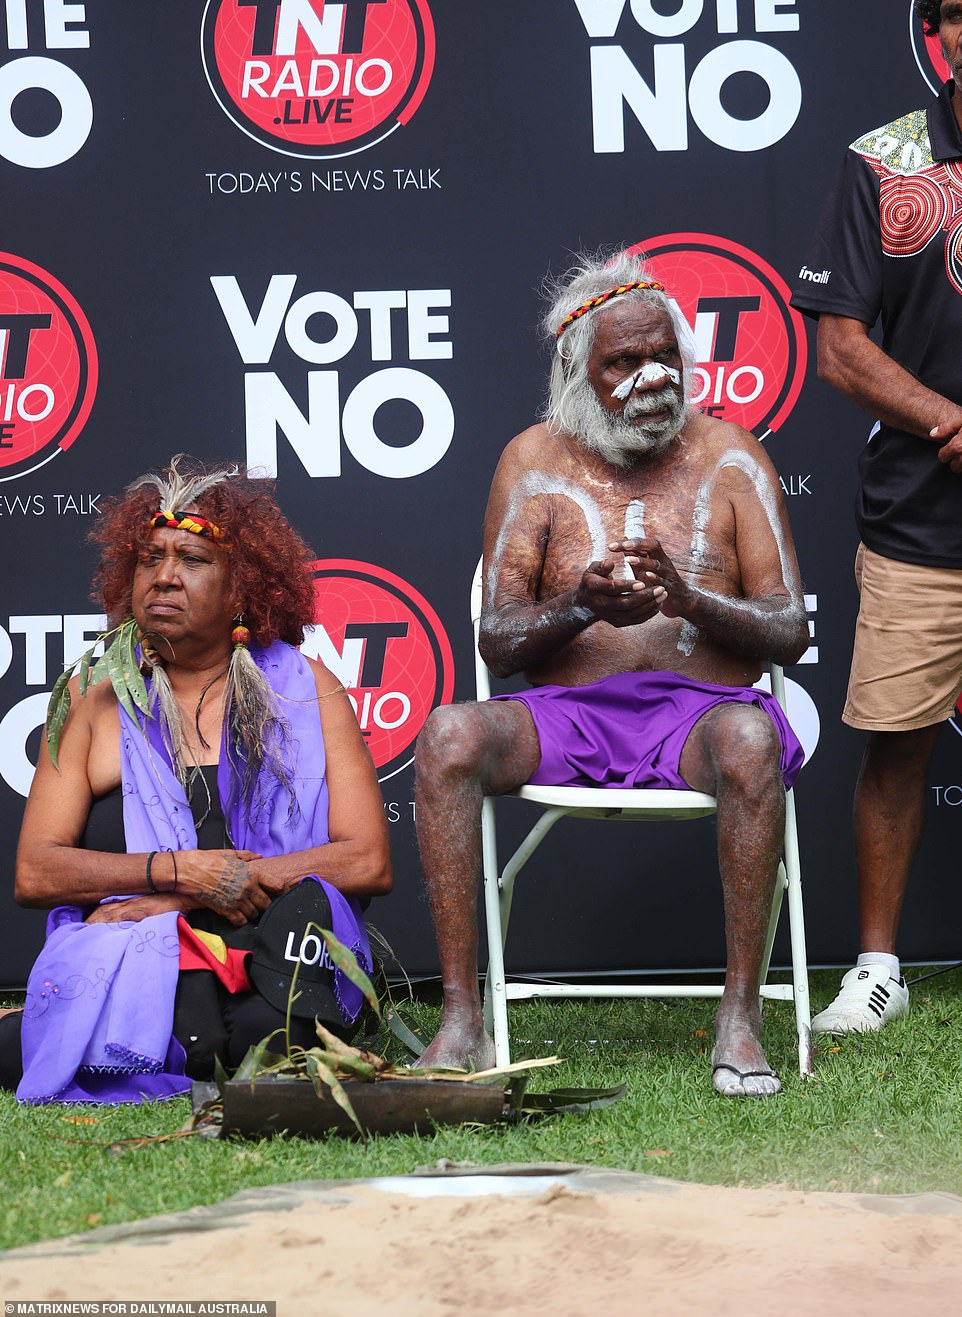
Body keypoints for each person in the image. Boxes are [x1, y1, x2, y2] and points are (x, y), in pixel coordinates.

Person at [414, 250, 808, 1097]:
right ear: (575, 371)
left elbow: (790, 628)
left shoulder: (732, 456)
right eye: (623, 362)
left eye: (663, 355)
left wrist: (690, 600)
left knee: (750, 736)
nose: (651, 378)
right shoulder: (531, 461)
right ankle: (460, 1016)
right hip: (567, 714)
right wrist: (580, 608)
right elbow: (498, 638)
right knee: (449, 732)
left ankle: (741, 1015)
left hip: (702, 716)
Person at [0, 455, 391, 1102]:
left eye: (193, 559)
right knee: (187, 1038)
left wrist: (210, 887)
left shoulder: (306, 690)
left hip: (273, 941)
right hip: (141, 944)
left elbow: (369, 860)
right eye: (150, 558)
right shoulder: (94, 700)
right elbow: (37, 872)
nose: (165, 577)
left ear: (244, 587)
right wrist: (180, 873)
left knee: (273, 1029)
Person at [789, 0, 962, 1034]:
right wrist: (947, 417)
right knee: (895, 748)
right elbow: (837, 345)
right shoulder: (882, 161)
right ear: (942, 34)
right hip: (919, 527)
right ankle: (877, 966)